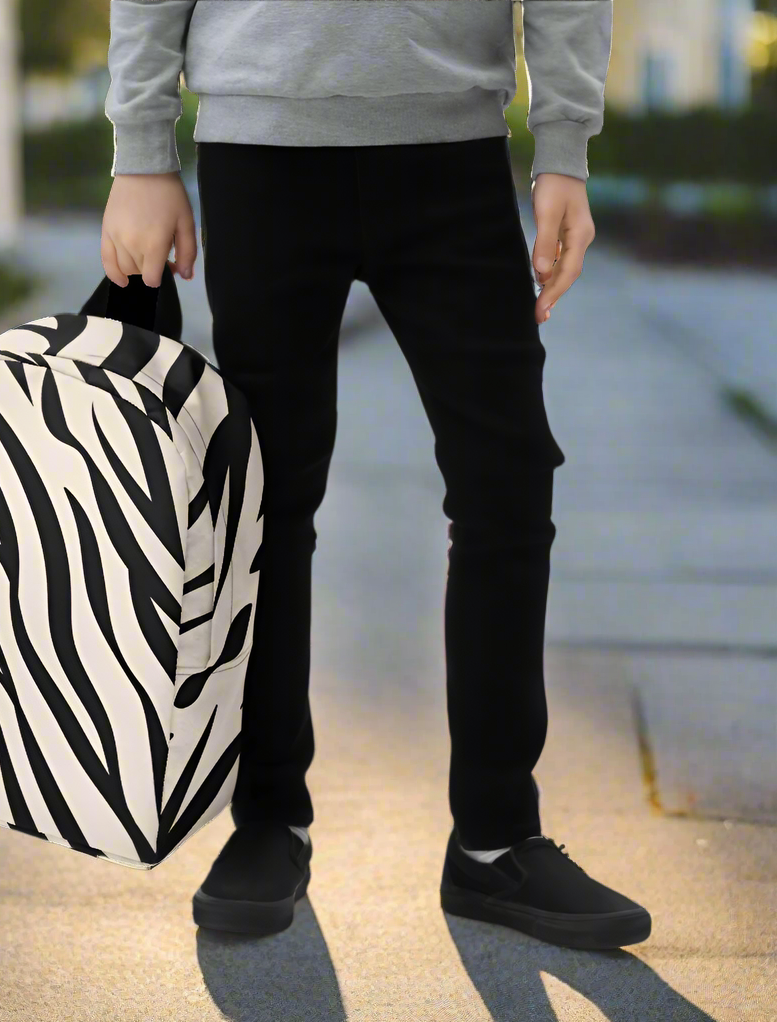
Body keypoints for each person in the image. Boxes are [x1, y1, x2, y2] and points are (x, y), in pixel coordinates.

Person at [101, 0, 651, 951]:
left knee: (508, 480)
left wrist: (564, 143)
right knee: (266, 498)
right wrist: (141, 150)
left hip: (453, 151)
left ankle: (494, 839)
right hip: (261, 145)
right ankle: (269, 817)